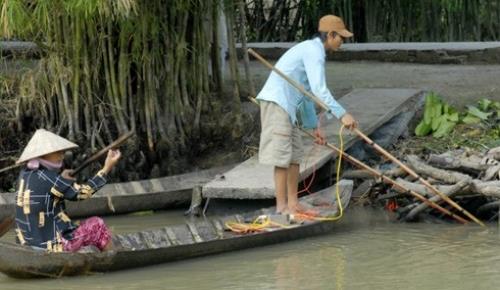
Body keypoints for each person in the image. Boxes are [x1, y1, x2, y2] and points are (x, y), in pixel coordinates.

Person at [256, 15, 358, 215]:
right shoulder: (314, 52)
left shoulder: (313, 50)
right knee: (282, 157)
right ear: (330, 35)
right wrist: (342, 114)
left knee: (295, 156)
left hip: (289, 108)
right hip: (277, 104)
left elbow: (307, 93)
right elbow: (320, 90)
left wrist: (314, 127)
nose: (342, 42)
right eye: (341, 37)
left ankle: (293, 204)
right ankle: (281, 208)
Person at [14, 129, 121, 252]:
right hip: (51, 246)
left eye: (62, 151)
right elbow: (83, 193)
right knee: (97, 225)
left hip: (26, 243)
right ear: (43, 155)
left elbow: (48, 187)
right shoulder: (51, 179)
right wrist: (106, 168)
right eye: (57, 152)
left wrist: (61, 178)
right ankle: (112, 258)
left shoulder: (24, 175)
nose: (62, 155)